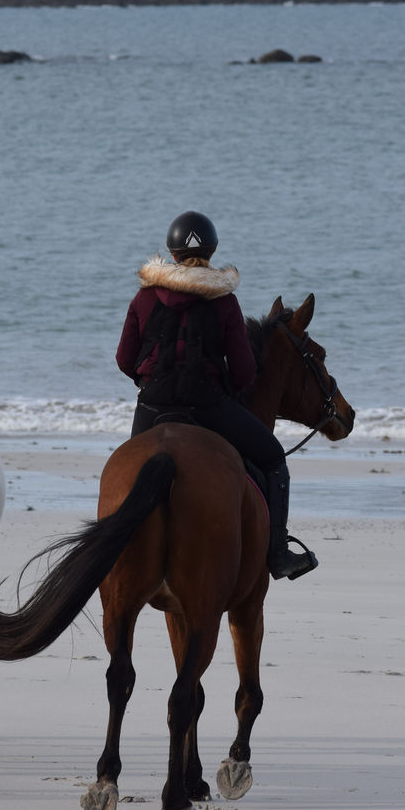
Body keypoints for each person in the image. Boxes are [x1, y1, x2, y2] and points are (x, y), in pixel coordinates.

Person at [116, 211, 317, 581]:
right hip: (206, 408)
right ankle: (278, 554)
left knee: (126, 476)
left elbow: (124, 359)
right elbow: (243, 373)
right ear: (211, 251)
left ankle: (118, 551)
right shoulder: (224, 302)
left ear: (172, 252)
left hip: (151, 409)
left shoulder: (143, 298)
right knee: (273, 459)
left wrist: (149, 384)